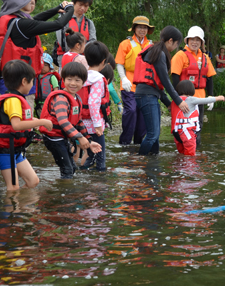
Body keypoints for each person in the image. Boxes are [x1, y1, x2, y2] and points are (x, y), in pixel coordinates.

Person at [0, 0, 74, 94]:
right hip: (21, 83)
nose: (30, 0)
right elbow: (58, 24)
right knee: (23, 111)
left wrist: (56, 9)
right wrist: (70, 9)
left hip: (6, 80)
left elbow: (35, 20)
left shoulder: (8, 19)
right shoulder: (22, 24)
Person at [40, 62, 102, 179]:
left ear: (83, 82)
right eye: (69, 79)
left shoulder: (76, 98)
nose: (73, 83)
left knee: (72, 168)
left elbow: (78, 122)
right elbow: (63, 121)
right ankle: (65, 196)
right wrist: (79, 137)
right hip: (53, 139)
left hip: (62, 137)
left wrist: (89, 141)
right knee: (67, 170)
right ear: (63, 79)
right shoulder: (61, 98)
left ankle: (68, 193)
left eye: (77, 80)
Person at [133, 26, 189, 155]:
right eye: (176, 44)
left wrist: (169, 104)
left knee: (155, 136)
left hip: (148, 95)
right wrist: (178, 101)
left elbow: (158, 85)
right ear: (170, 41)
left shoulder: (156, 51)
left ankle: (153, 161)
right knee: (152, 135)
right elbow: (166, 82)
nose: (176, 47)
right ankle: (139, 160)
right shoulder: (159, 53)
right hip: (146, 96)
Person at [0, 60, 52, 190]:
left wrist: (38, 121)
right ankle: (11, 209)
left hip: (15, 149)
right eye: (32, 81)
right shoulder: (13, 100)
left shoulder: (16, 99)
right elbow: (16, 125)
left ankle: (22, 206)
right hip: (5, 150)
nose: (32, 85)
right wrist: (41, 122)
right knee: (13, 187)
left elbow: (25, 118)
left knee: (33, 181)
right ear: (24, 82)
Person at [171, 26, 216, 146]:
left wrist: (210, 96)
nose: (195, 42)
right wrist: (177, 98)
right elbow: (175, 77)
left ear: (201, 42)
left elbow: (210, 77)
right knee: (182, 126)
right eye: (192, 39)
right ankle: (183, 154)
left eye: (198, 40)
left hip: (199, 98)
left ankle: (194, 153)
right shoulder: (180, 55)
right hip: (184, 99)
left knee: (197, 126)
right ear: (187, 40)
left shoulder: (205, 57)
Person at [115, 16, 153, 145]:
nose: (142, 30)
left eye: (145, 27)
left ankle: (138, 144)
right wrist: (123, 78)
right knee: (131, 110)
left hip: (145, 85)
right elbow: (119, 63)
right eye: (140, 27)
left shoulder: (151, 45)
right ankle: (125, 142)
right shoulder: (125, 44)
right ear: (134, 28)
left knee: (142, 116)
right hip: (129, 83)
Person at [79, 41, 110, 171]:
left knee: (91, 154)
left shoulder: (82, 76)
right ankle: (101, 181)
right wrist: (98, 124)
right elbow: (93, 102)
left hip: (81, 121)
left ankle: (85, 171)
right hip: (94, 123)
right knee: (100, 157)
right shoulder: (98, 79)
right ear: (103, 61)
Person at [171, 80, 224, 156]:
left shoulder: (175, 101)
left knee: (182, 154)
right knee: (190, 155)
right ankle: (189, 167)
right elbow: (205, 100)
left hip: (176, 133)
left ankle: (180, 167)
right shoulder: (190, 99)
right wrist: (218, 98)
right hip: (187, 133)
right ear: (191, 90)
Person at [55, 0, 96, 66]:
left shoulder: (89, 23)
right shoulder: (62, 20)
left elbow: (93, 42)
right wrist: (78, 49)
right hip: (66, 60)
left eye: (86, 6)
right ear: (73, 3)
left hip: (84, 61)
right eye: (80, 4)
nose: (83, 8)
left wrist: (80, 49)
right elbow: (62, 43)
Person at [35, 53, 61, 117]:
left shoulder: (52, 77)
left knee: (48, 117)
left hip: (49, 103)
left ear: (50, 67)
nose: (43, 67)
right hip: (38, 103)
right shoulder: (35, 77)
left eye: (45, 65)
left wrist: (55, 99)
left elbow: (56, 88)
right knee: (40, 117)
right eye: (41, 65)